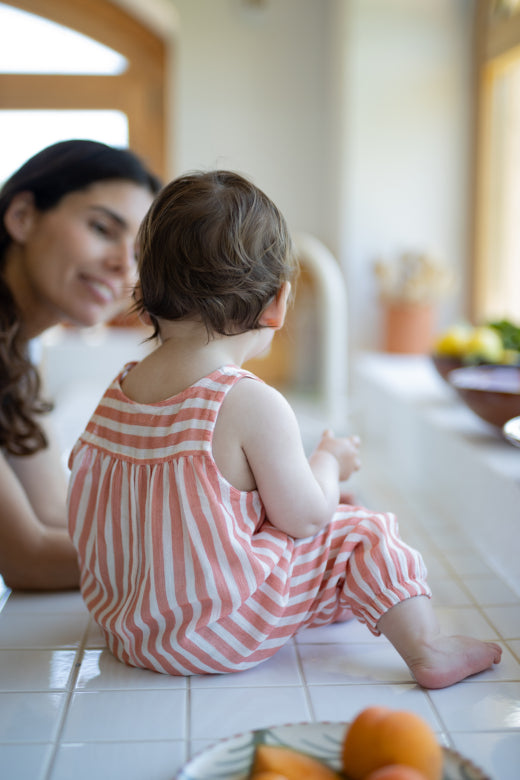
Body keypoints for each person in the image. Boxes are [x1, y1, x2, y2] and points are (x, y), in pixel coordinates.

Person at [67, 170, 502, 688]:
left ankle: (355, 600)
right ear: (276, 303)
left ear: (148, 287)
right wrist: (327, 463)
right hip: (221, 633)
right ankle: (429, 647)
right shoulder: (247, 400)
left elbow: (181, 510)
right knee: (357, 529)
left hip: (134, 629)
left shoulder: (120, 390)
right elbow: (306, 517)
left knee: (313, 532)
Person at [0, 139, 161, 591]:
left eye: (137, 255)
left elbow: (55, 508)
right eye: (102, 229)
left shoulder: (21, 349)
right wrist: (227, 556)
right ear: (22, 217)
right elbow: (26, 558)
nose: (123, 269)